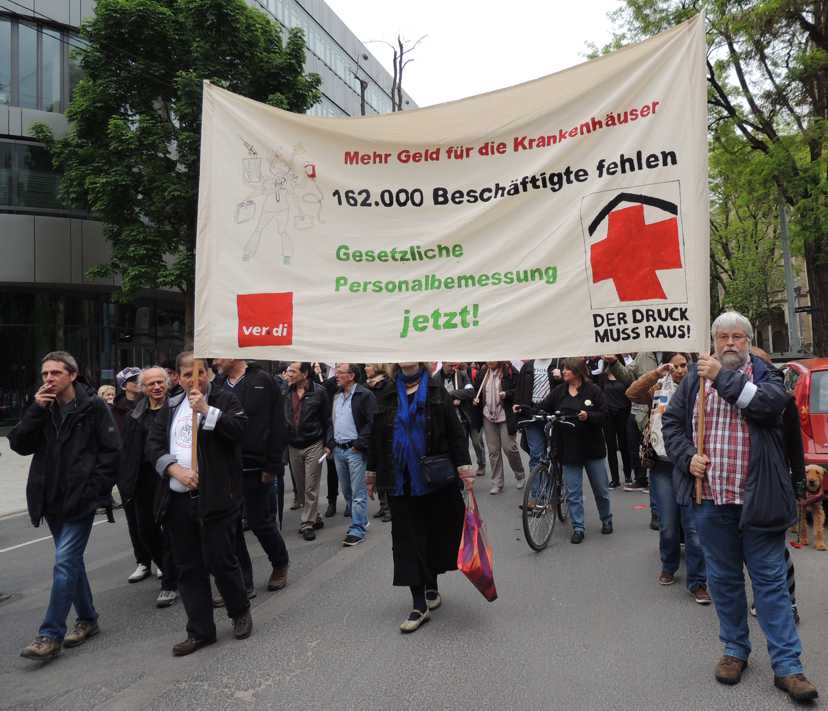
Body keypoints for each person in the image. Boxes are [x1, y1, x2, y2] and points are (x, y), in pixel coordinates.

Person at [662, 311, 817, 702]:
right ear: (713, 341)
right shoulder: (693, 382)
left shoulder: (766, 375)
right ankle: (734, 651)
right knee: (725, 582)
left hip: (759, 502)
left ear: (748, 342)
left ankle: (788, 666)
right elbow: (672, 426)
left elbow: (766, 407)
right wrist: (685, 458)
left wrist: (720, 376)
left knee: (771, 584)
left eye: (737, 337)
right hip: (712, 500)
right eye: (722, 337)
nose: (729, 343)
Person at [10, 351, 120, 660]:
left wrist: (93, 491)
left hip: (79, 501)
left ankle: (50, 634)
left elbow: (111, 453)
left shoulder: (94, 407)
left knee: (63, 563)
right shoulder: (41, 408)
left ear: (72, 375)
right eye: (45, 374)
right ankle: (88, 619)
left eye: (55, 373)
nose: (48, 379)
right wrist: (35, 409)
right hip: (50, 500)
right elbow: (19, 444)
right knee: (71, 563)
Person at [146, 352, 252, 657]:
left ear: (208, 374)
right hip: (178, 500)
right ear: (177, 377)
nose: (194, 379)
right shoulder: (170, 407)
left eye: (200, 373)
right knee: (189, 567)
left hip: (216, 498)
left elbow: (238, 431)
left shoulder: (225, 399)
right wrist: (173, 469)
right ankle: (201, 630)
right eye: (187, 374)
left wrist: (207, 410)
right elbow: (153, 445)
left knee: (221, 561)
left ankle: (239, 609)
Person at [367, 362, 474, 633]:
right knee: (407, 539)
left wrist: (464, 468)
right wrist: (371, 471)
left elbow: (455, 433)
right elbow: (377, 436)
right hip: (400, 479)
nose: (407, 359)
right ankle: (418, 604)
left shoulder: (437, 390)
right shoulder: (388, 393)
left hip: (435, 479)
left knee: (434, 534)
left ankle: (431, 585)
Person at [626, 353, 710, 604]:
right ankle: (669, 564)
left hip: (689, 465)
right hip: (662, 466)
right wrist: (656, 373)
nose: (680, 370)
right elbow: (631, 393)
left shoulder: (700, 387)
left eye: (684, 365)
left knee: (693, 528)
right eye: (674, 365)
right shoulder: (658, 386)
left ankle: (698, 582)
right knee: (669, 524)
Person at [213, 359, 290, 595]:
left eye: (218, 355)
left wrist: (272, 464)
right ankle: (243, 581)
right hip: (226, 468)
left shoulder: (263, 381)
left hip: (256, 466)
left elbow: (278, 424)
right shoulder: (217, 386)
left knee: (260, 522)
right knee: (232, 526)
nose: (214, 361)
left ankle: (280, 562)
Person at [118, 366, 179, 607]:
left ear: (167, 384)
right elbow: (129, 452)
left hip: (170, 477)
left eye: (160, 382)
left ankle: (170, 584)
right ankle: (168, 568)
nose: (156, 387)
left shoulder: (177, 410)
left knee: (174, 530)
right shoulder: (136, 415)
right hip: (144, 481)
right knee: (146, 532)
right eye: (151, 384)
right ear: (143, 388)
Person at [540, 357, 612, 543]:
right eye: (563, 368)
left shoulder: (593, 390)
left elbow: (604, 415)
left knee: (601, 489)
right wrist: (525, 410)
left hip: (592, 447)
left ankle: (606, 518)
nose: (563, 371)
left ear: (578, 371)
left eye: (567, 369)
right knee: (573, 492)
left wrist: (588, 416)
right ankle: (578, 527)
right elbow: (544, 408)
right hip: (569, 449)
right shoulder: (559, 392)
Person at [283, 362, 331, 541]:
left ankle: (307, 523)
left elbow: (327, 419)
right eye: (288, 371)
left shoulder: (319, 392)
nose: (288, 374)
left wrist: (328, 443)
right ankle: (315, 516)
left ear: (304, 374)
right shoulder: (285, 391)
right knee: (301, 486)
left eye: (292, 371)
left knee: (311, 484)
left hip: (314, 443)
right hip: (293, 445)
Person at [331, 363, 377, 546]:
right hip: (338, 449)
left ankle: (357, 528)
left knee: (358, 491)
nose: (336, 376)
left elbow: (371, 422)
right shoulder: (336, 396)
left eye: (340, 373)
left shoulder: (364, 395)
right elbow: (331, 421)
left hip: (354, 451)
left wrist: (359, 444)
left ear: (351, 376)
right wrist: (330, 442)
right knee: (347, 490)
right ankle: (360, 518)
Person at [474, 361, 525, 494]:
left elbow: (520, 390)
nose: (490, 362)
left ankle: (519, 474)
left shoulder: (510, 371)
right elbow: (477, 391)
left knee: (509, 448)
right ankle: (497, 482)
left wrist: (507, 394)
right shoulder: (483, 372)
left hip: (505, 415)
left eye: (493, 359)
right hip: (488, 415)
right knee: (493, 451)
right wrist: (476, 399)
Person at [515, 358, 564, 473]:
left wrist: (560, 379)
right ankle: (537, 490)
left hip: (552, 415)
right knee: (536, 454)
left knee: (556, 452)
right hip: (532, 414)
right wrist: (518, 405)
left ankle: (557, 481)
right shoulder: (528, 366)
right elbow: (520, 388)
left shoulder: (558, 363)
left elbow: (569, 387)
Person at [598, 355, 634, 488]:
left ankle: (628, 475)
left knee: (625, 445)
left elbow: (630, 392)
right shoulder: (603, 377)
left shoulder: (624, 375)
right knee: (611, 447)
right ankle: (615, 478)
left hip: (623, 413)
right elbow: (600, 394)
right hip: (608, 416)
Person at [365, 363, 395, 522]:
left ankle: (390, 506)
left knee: (387, 470)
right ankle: (383, 505)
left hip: (387, 432)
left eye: (368, 365)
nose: (365, 368)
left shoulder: (389, 386)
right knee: (377, 468)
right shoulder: (367, 387)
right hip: (373, 432)